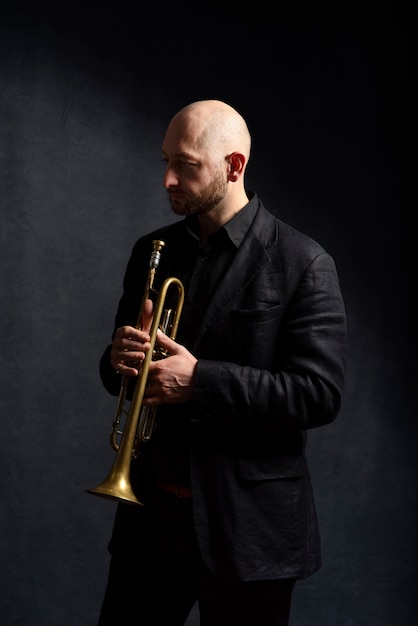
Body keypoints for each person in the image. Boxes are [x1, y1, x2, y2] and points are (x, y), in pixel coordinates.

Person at [95, 99, 347, 626]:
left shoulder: (304, 262)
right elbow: (120, 375)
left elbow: (318, 393)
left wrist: (201, 381)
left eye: (185, 165)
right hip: (150, 519)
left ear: (234, 167)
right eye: (164, 161)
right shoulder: (153, 250)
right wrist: (118, 358)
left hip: (249, 530)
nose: (167, 178)